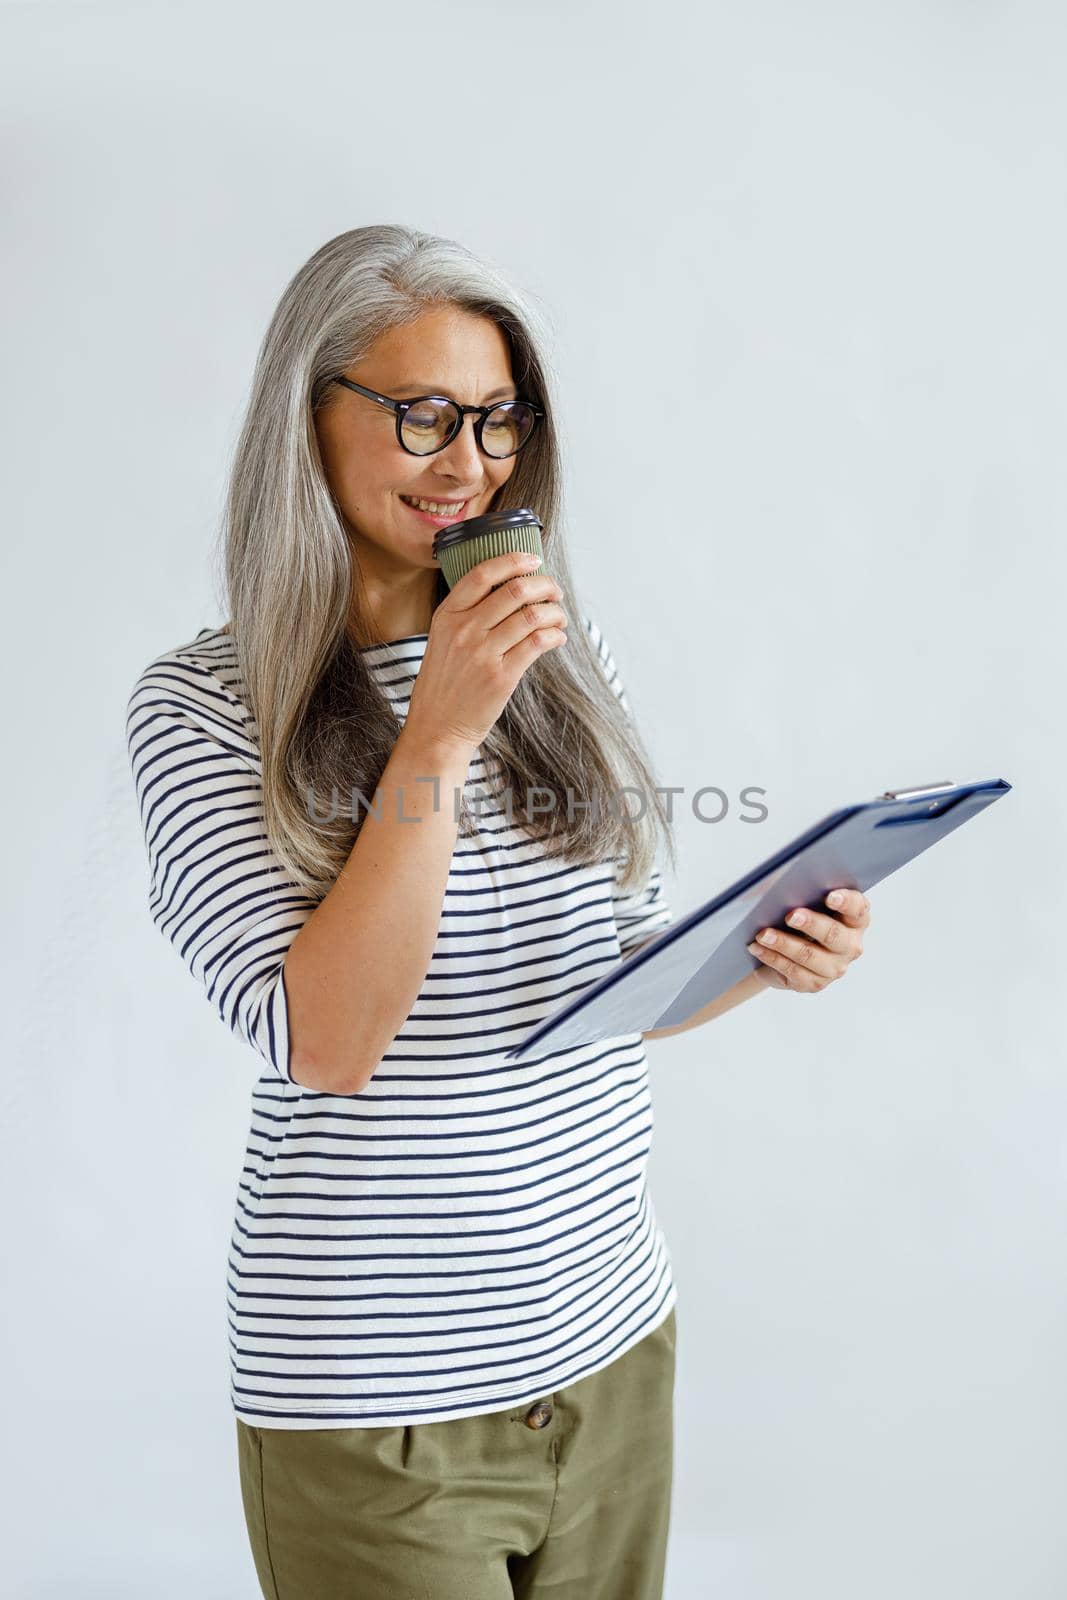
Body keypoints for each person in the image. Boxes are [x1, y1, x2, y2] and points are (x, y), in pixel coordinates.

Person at [126, 224, 870, 1600]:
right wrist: (440, 733)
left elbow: (615, 984)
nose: (469, 463)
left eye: (497, 419)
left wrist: (763, 959)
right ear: (307, 414)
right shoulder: (204, 709)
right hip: (378, 1406)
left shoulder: (556, 652)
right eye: (422, 416)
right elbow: (328, 1042)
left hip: (612, 1340)